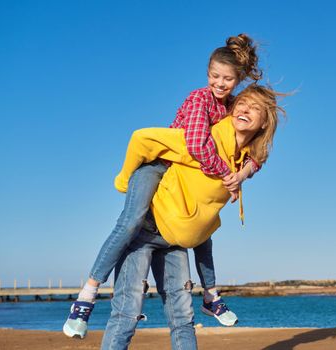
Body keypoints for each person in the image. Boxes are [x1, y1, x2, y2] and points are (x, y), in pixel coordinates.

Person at [64, 34, 262, 339]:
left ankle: (211, 295)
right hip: (158, 166)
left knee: (204, 230)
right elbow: (196, 145)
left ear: (237, 80)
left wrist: (244, 172)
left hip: (183, 184)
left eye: (227, 79)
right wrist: (226, 174)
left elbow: (256, 151)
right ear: (207, 73)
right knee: (129, 223)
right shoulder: (200, 99)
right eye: (214, 76)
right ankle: (87, 294)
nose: (219, 84)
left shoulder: (233, 109)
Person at [101, 84, 285, 350]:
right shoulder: (205, 140)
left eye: (255, 108)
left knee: (183, 319)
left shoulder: (243, 159)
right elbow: (153, 142)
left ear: (264, 122)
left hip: (176, 240)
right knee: (126, 315)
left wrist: (242, 175)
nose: (245, 109)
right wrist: (133, 178)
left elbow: (258, 159)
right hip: (145, 229)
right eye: (242, 103)